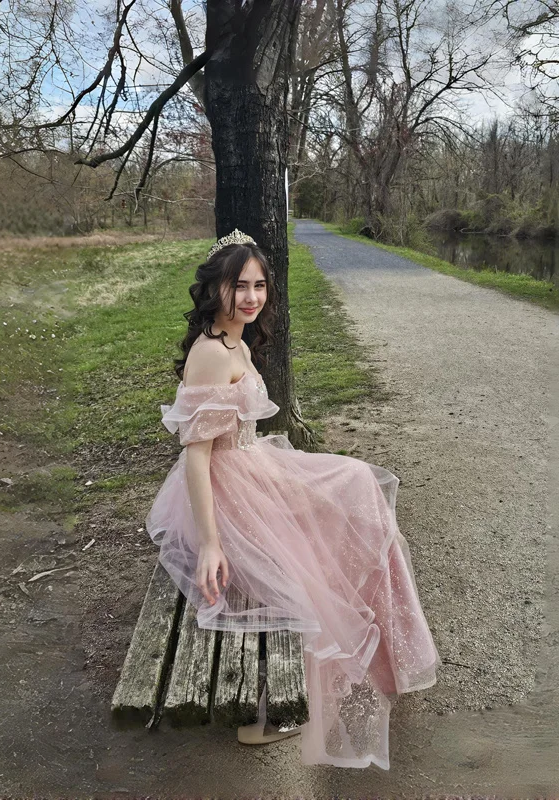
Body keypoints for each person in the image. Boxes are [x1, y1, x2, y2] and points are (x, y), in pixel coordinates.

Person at [145, 228, 441, 770]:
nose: (252, 297)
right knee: (317, 556)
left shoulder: (233, 337)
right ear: (216, 289)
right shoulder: (212, 353)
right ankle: (273, 707)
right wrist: (211, 544)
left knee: (358, 489)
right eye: (240, 286)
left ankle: (389, 654)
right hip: (228, 489)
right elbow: (196, 455)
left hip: (252, 466)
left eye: (259, 286)